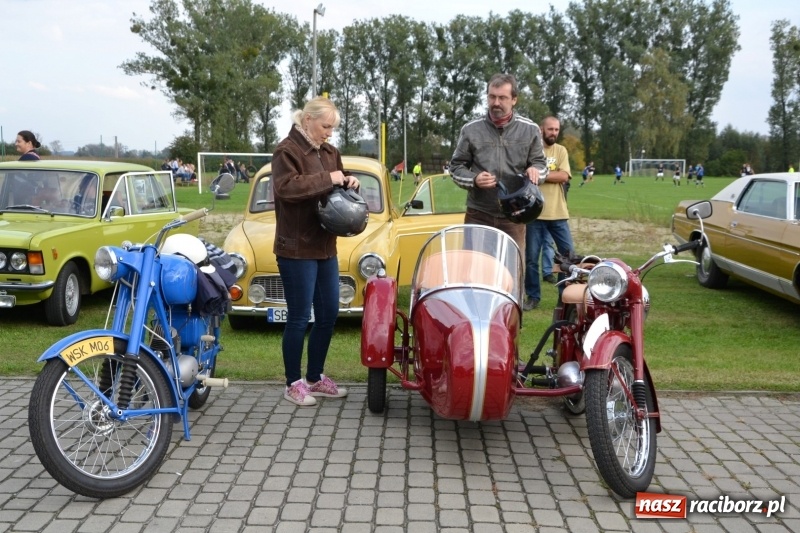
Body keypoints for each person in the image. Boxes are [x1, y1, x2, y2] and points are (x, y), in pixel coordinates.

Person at [271, 96, 359, 407]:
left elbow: (335, 185)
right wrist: (329, 178)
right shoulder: (287, 150)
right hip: (296, 249)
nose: (329, 133)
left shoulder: (331, 152)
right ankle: (293, 383)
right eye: (325, 126)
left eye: (333, 128)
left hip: (325, 246)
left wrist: (349, 182)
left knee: (328, 314)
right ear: (307, 120)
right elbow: (287, 188)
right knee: (298, 318)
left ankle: (315, 377)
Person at [450, 72, 548, 258]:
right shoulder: (470, 130)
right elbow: (455, 167)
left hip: (515, 215)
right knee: (473, 271)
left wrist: (536, 171)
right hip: (479, 214)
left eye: (502, 97)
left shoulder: (530, 129)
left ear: (514, 100)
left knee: (512, 273)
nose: (496, 102)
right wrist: (474, 179)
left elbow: (541, 164)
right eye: (492, 96)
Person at [523, 116, 573, 311]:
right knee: (531, 259)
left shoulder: (561, 150)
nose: (553, 133)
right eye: (550, 129)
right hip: (534, 214)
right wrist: (544, 175)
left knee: (567, 257)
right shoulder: (530, 151)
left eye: (556, 129)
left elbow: (564, 175)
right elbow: (524, 174)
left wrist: (539, 175)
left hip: (558, 213)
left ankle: (564, 296)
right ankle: (533, 297)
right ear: (541, 129)